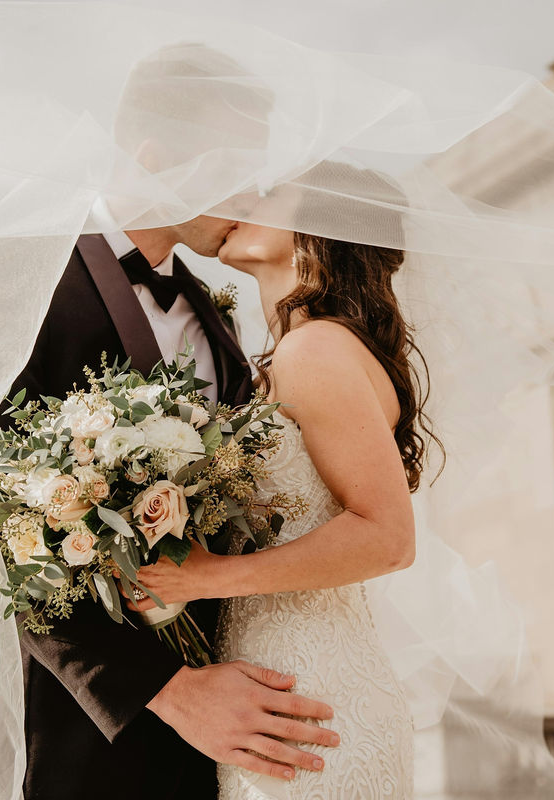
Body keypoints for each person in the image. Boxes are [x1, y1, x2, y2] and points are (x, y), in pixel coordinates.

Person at [0, 45, 339, 800]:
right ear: (154, 157)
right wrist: (171, 692)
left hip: (240, 727)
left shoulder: (218, 319)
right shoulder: (15, 275)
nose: (253, 192)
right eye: (235, 167)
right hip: (96, 732)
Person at [126, 166, 429, 797]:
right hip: (276, 688)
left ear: (318, 227)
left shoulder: (314, 350)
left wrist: (210, 575)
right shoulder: (293, 352)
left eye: (265, 193)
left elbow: (390, 536)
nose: (237, 199)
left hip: (308, 695)